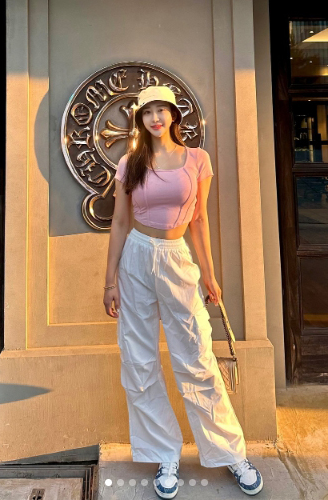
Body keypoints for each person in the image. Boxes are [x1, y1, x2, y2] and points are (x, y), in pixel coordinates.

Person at [103, 84, 263, 497]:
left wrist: (208, 274)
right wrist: (109, 281)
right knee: (139, 361)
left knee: (197, 358)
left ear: (174, 115)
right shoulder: (131, 162)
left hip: (177, 258)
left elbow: (199, 220)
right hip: (136, 257)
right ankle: (165, 454)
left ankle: (231, 453)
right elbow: (119, 222)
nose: (155, 118)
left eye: (162, 110)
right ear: (140, 119)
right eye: (148, 111)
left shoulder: (197, 159)